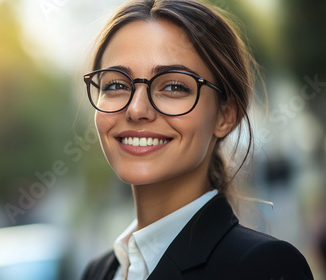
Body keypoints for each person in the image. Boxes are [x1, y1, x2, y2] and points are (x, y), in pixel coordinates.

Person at [80, 0, 314, 279]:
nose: (136, 109)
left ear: (225, 116)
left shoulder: (262, 266)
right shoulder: (99, 272)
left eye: (174, 86)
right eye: (116, 85)